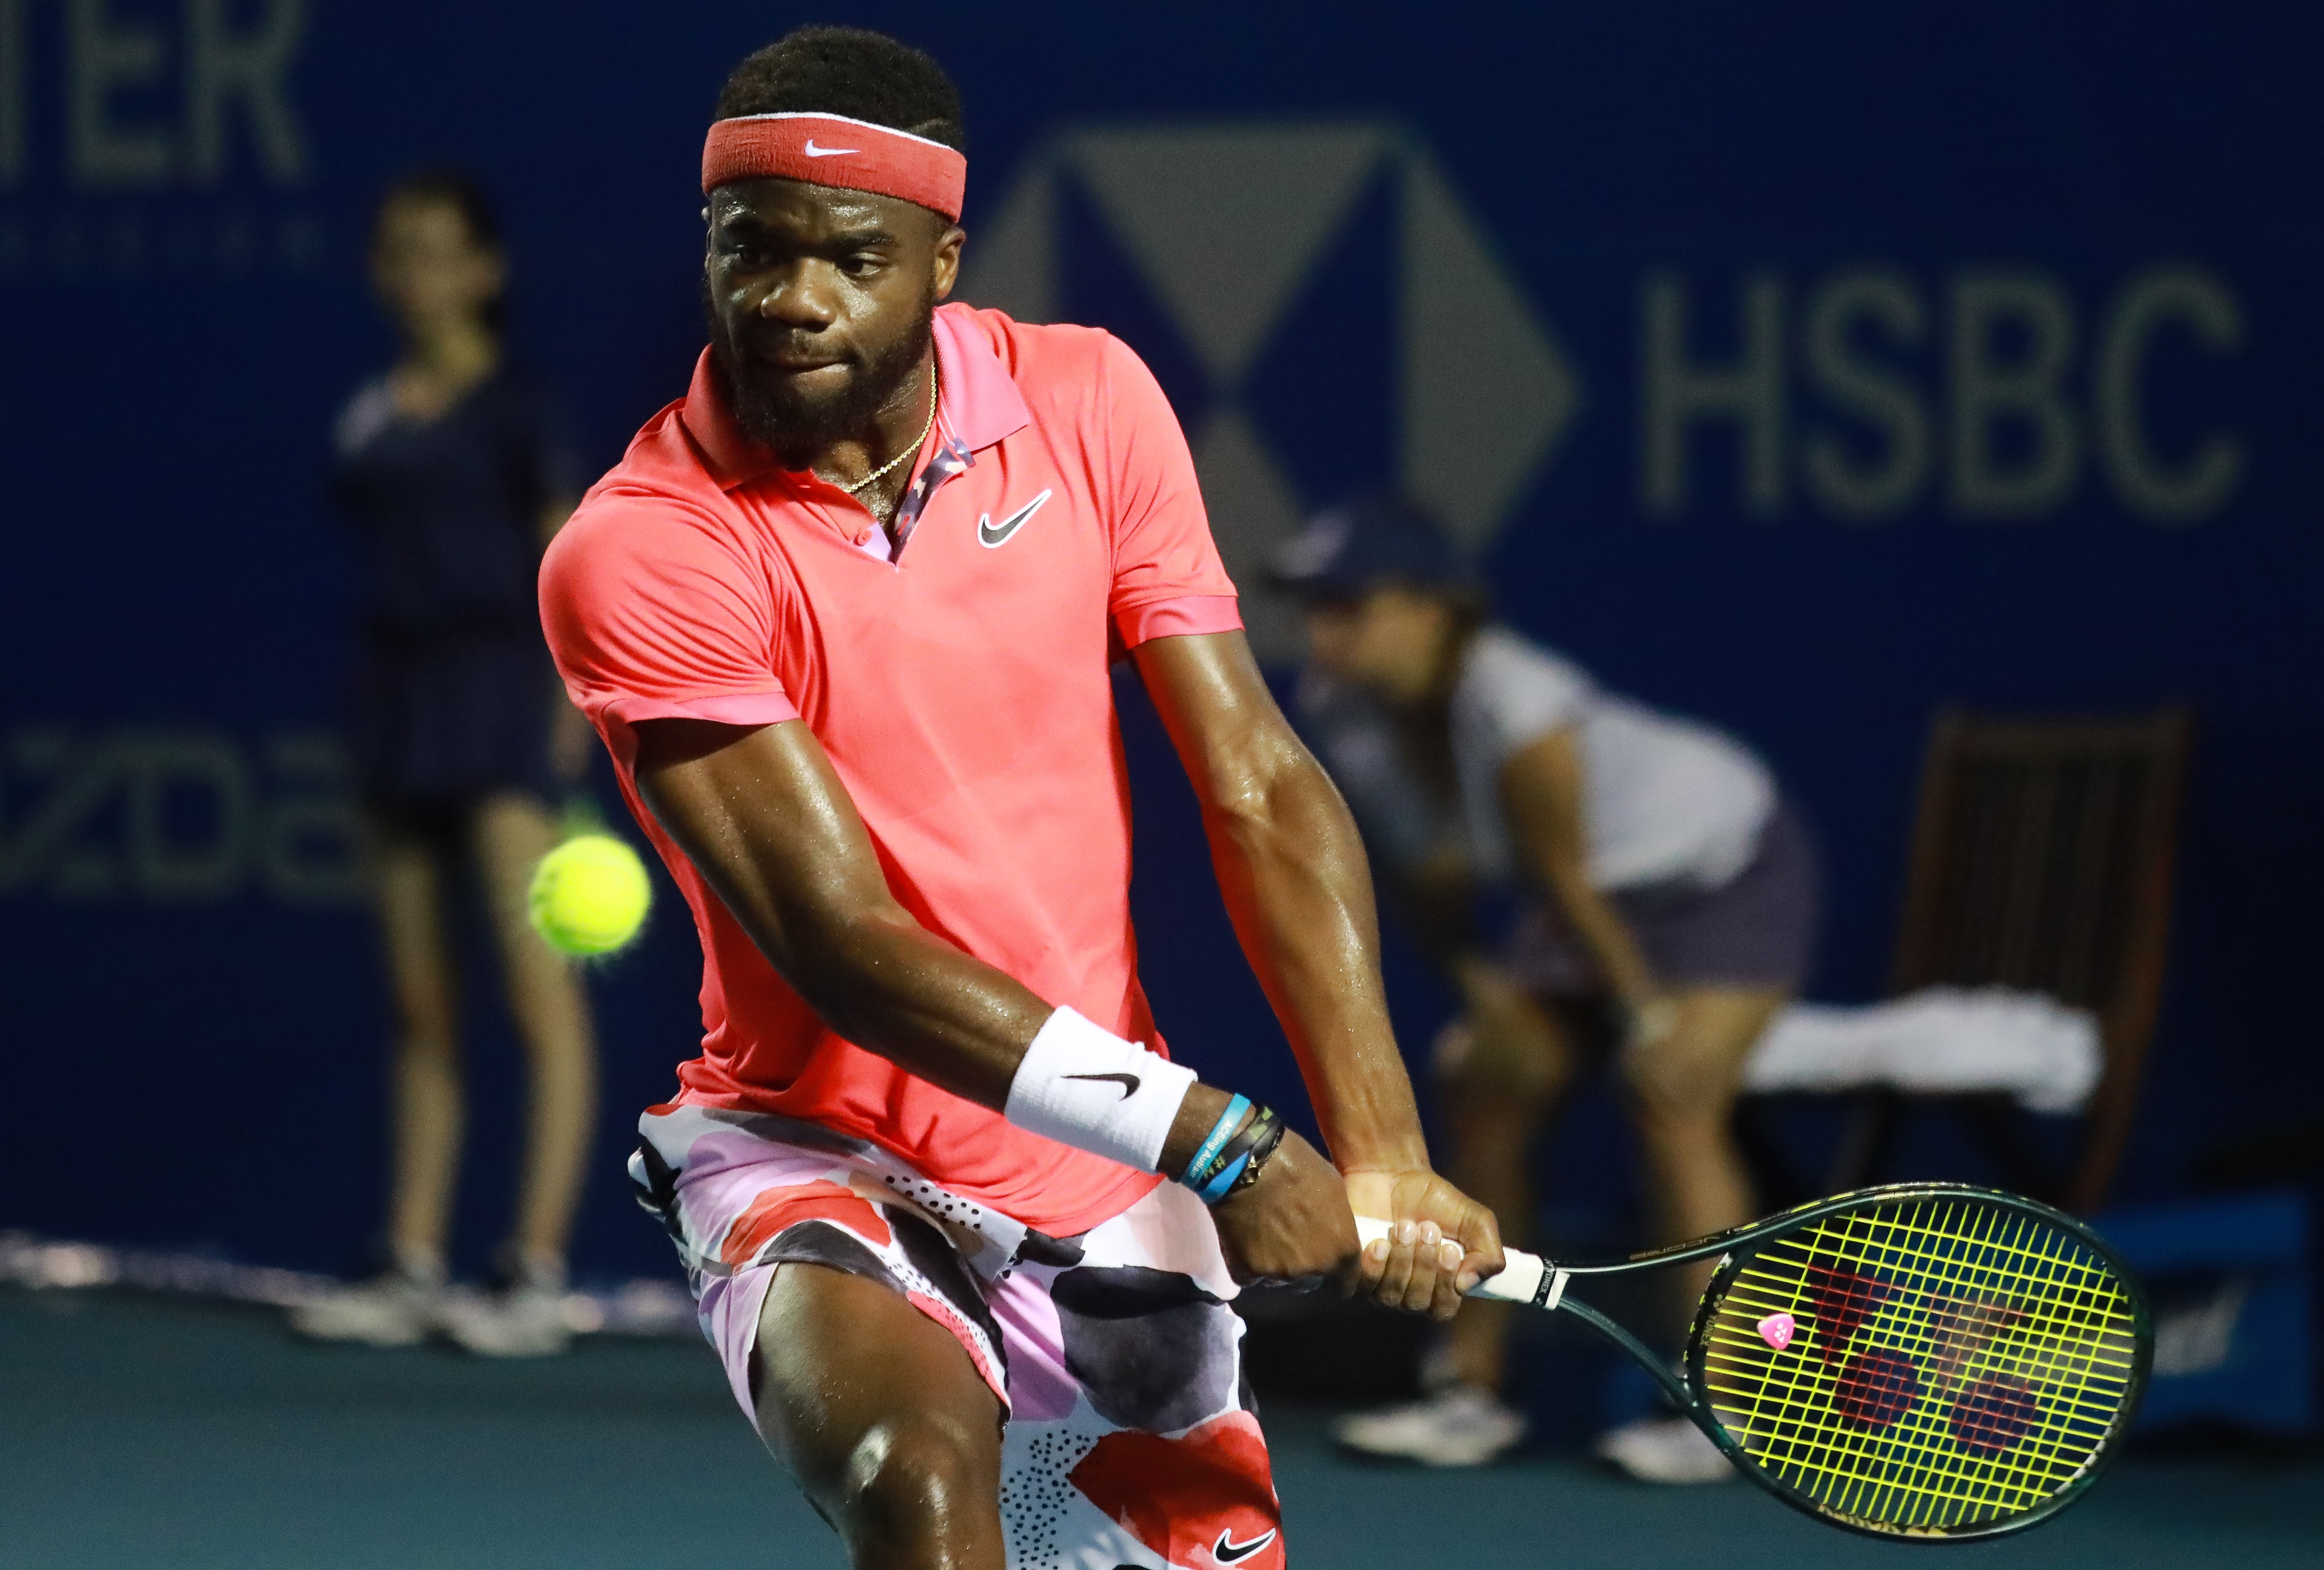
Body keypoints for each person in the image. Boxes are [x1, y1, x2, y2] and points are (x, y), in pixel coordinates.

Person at [536, 27, 1500, 1570]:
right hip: (818, 1153)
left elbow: (1255, 778)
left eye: (852, 256)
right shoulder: (643, 549)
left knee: (1136, 1545)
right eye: (751, 249)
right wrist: (1230, 1143)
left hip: (1099, 1174)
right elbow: (843, 938)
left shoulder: (1092, 401)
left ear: (942, 257)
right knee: (916, 1479)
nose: (791, 298)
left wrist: (1379, 1144)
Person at [1278, 496, 1819, 1480]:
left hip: (1719, 876)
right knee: (1486, 1075)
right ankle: (1467, 1391)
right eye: (1314, 607)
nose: (1324, 631)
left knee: (1669, 1093)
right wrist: (1481, 994)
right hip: (1585, 905)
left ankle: (1721, 1404)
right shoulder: (1340, 713)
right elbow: (1415, 880)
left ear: (1432, 609)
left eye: (1348, 604)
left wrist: (1644, 1021)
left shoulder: (1519, 705)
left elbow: (1562, 880)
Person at [290, 170, 601, 1358]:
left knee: (538, 999)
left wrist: (571, 708)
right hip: (395, 701)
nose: (416, 271)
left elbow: (565, 559)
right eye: (397, 250)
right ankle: (412, 1258)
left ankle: (534, 1268)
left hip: (500, 698)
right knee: (421, 1003)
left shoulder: (521, 408)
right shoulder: (369, 414)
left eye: (439, 249)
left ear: (485, 270)